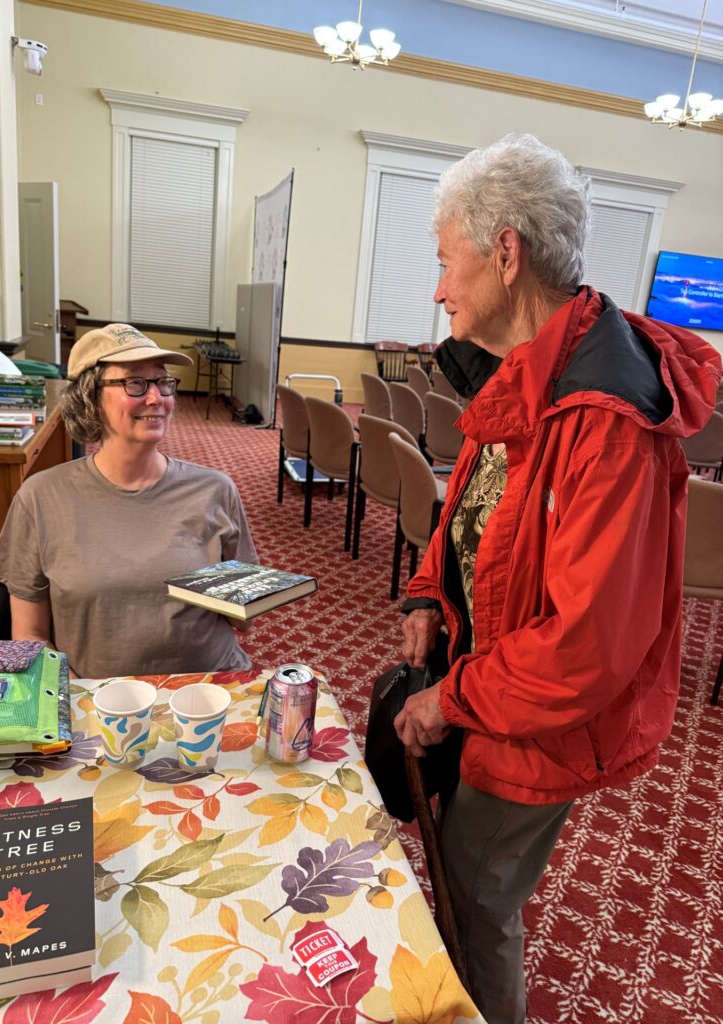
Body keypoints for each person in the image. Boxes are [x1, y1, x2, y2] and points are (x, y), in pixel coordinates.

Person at [393, 134, 722, 1024]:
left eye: (445, 262)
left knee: (476, 897)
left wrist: (450, 700)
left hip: (539, 716)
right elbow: (472, 505)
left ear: (506, 253)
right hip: (493, 685)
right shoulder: (526, 369)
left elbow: (584, 651)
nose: (437, 289)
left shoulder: (605, 416)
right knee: (462, 883)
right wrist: (430, 589)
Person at [0, 323, 257, 679]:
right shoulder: (41, 498)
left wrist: (244, 601)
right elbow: (30, 635)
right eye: (135, 383)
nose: (156, 397)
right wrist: (77, 700)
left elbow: (245, 615)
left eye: (163, 382)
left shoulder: (215, 489)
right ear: (90, 398)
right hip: (98, 697)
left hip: (208, 689)